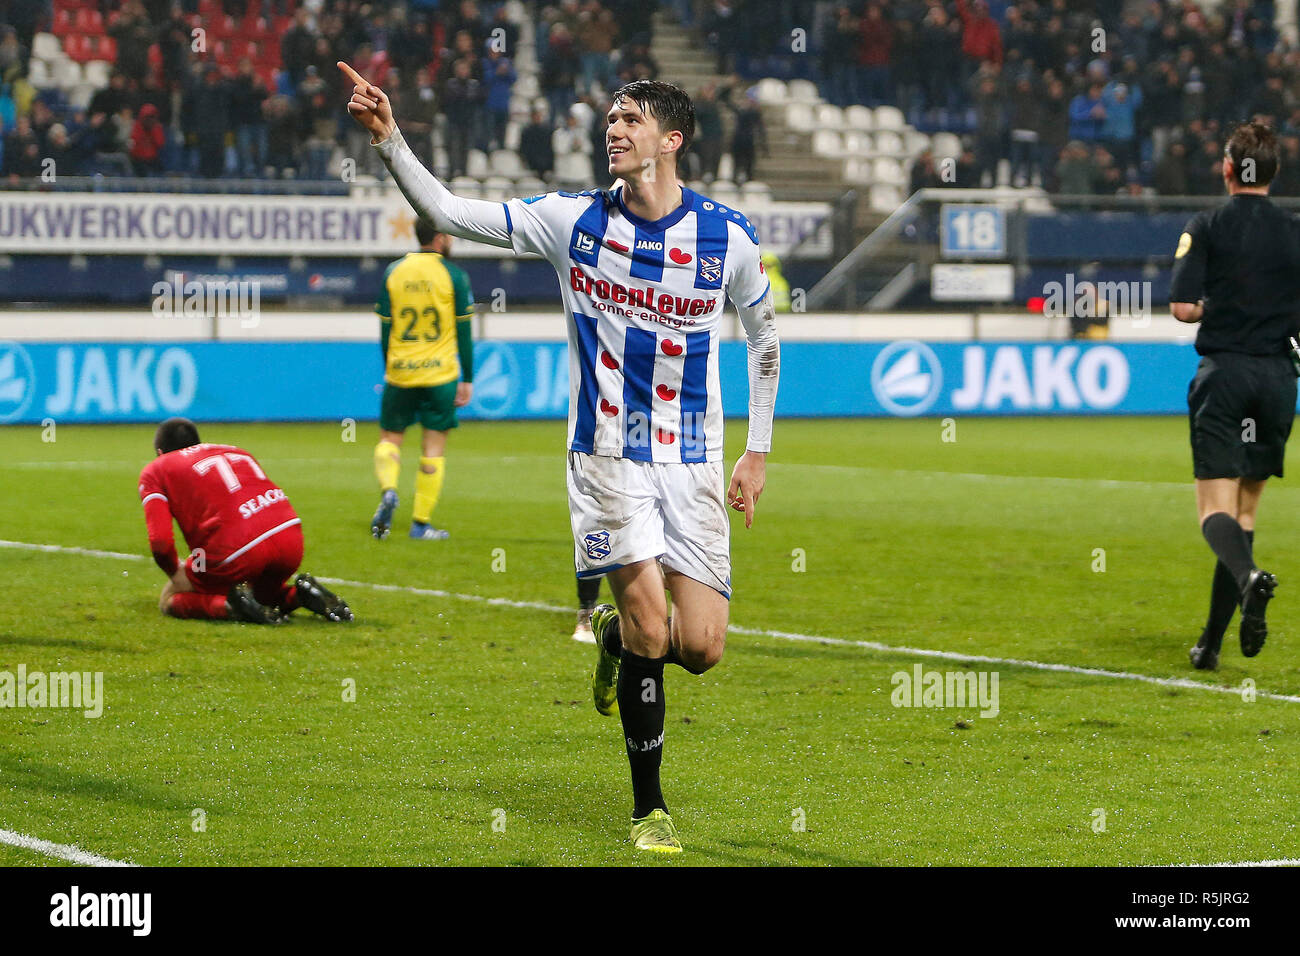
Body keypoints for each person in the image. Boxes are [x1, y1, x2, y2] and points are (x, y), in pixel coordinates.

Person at [340, 62, 780, 853]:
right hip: (606, 457)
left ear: (670, 139)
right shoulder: (569, 221)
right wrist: (390, 140)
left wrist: (758, 451)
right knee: (654, 629)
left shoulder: (728, 238)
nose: (613, 128)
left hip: (695, 461)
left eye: (631, 119)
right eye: (609, 118)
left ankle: (610, 637)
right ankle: (651, 810)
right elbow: (445, 210)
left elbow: (765, 339)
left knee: (702, 648)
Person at [1168, 122, 1300, 670]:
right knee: (1244, 513)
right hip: (1276, 380)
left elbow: (1182, 307)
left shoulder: (1207, 225)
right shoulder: (1293, 232)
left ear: (1228, 168)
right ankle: (1212, 644)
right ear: (1273, 172)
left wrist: (1214, 307)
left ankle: (1249, 577)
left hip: (1224, 376)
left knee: (1213, 511)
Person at [138, 417, 353, 624]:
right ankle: (298, 595)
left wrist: (175, 573)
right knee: (256, 593)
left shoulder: (156, 469)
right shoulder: (233, 449)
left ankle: (230, 607)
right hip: (290, 539)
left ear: (160, 453)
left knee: (169, 598)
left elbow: (161, 543)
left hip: (238, 551)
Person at [370, 219, 476, 541]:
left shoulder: (394, 271)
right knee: (433, 450)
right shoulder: (454, 275)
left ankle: (389, 490)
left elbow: (386, 329)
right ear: (441, 238)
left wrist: (390, 365)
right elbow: (464, 331)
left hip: (401, 370)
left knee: (390, 438)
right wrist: (467, 377)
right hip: (440, 374)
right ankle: (420, 524)